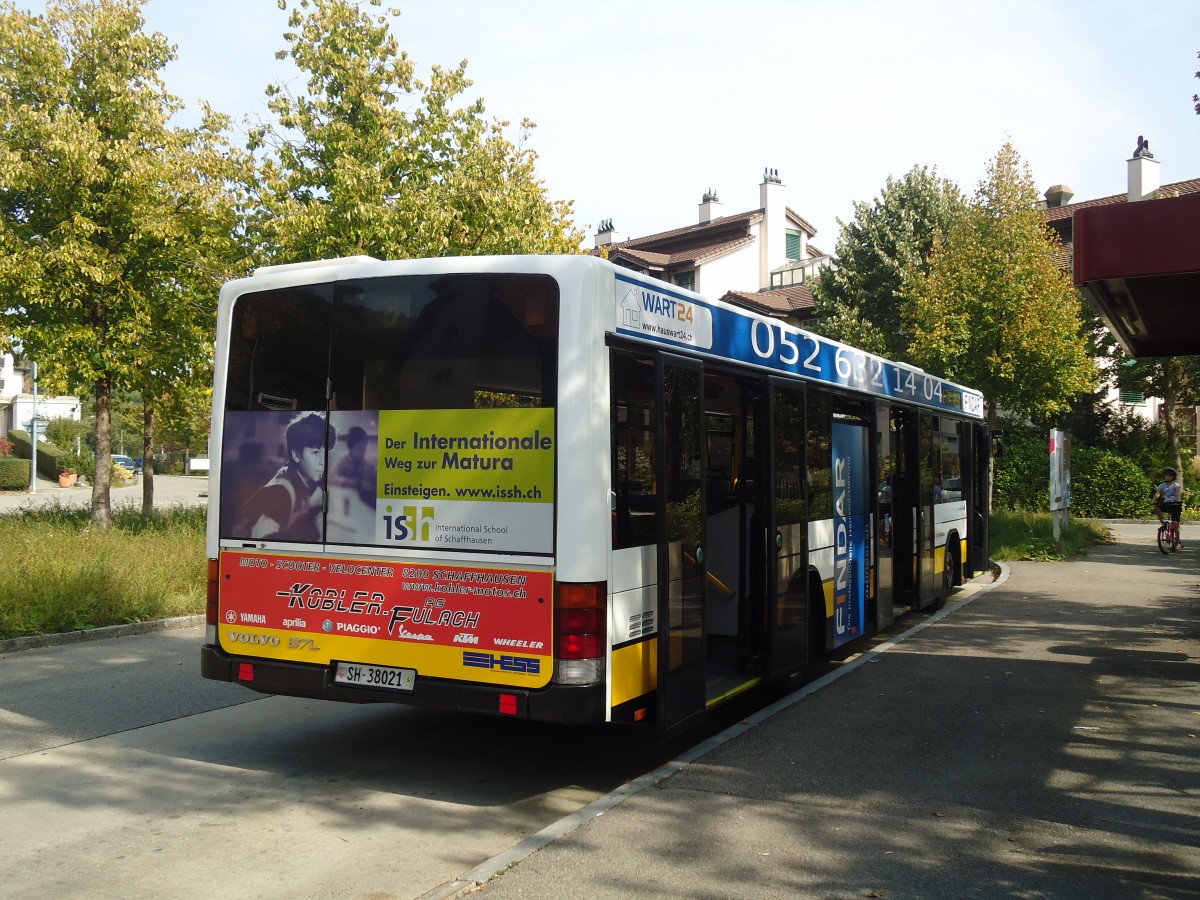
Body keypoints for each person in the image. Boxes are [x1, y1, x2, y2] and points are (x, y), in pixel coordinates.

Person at [239, 412, 334, 541]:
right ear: (295, 455)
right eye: (316, 452)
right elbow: (263, 543)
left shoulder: (300, 478)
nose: (323, 461)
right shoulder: (281, 493)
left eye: (325, 452)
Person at [1152, 467, 1184, 547]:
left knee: (1175, 523)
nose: (1167, 477)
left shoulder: (1176, 485)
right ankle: (1163, 522)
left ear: (1173, 477)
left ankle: (1177, 539)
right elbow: (1158, 493)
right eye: (1166, 475)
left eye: (1170, 476)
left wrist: (1178, 501)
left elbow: (1177, 494)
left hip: (1175, 504)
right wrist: (1153, 500)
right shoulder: (1162, 485)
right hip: (1167, 503)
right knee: (1156, 507)